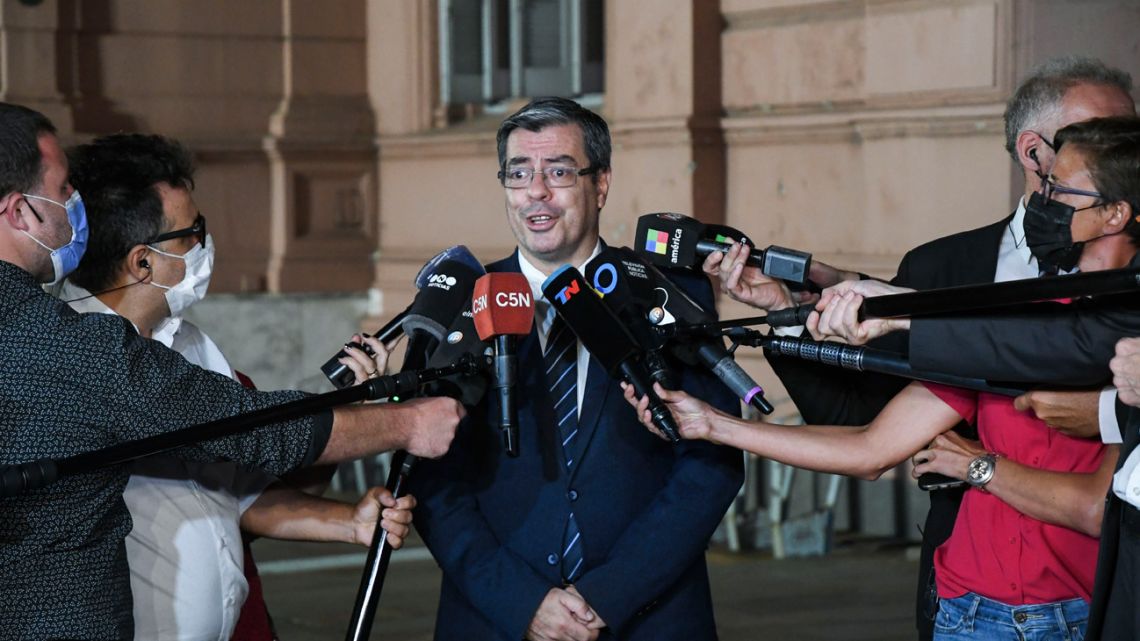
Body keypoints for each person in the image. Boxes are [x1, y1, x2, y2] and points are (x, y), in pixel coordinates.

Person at [629, 115, 1140, 641]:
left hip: (1066, 615)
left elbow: (1093, 508)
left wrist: (980, 467)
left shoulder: (1123, 342)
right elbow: (872, 449)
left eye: (1059, 188)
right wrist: (712, 423)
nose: (1042, 197)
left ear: (1115, 213)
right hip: (963, 605)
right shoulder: (1026, 310)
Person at [0, 103, 463, 640]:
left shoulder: (189, 345)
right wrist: (407, 421)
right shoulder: (76, 349)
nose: (205, 242)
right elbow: (260, 431)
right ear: (142, 261)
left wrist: (345, 520)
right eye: (191, 231)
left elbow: (233, 487)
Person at [408, 97, 744, 641]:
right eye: (519, 173)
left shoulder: (667, 293)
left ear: (601, 184)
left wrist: (608, 595)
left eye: (559, 171)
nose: (536, 191)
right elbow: (429, 476)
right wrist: (521, 603)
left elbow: (712, 463)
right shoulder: (456, 304)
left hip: (648, 617)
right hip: (498, 618)